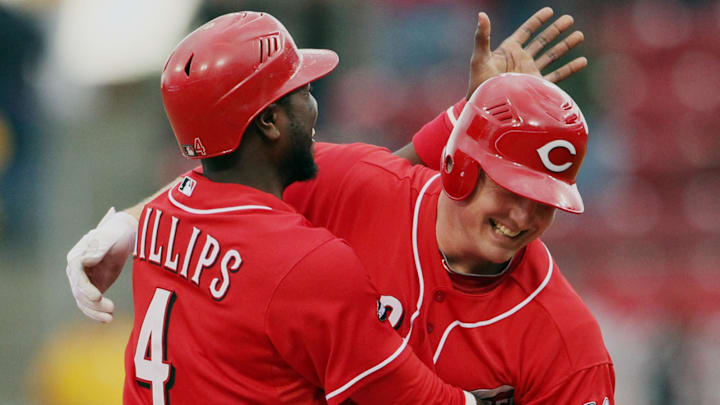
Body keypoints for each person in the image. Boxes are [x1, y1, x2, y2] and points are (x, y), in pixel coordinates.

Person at [66, 8, 610, 405]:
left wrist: (131, 224)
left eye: (542, 199)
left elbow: (219, 185)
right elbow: (392, 388)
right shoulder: (307, 259)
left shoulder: (569, 345)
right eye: (508, 190)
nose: (523, 217)